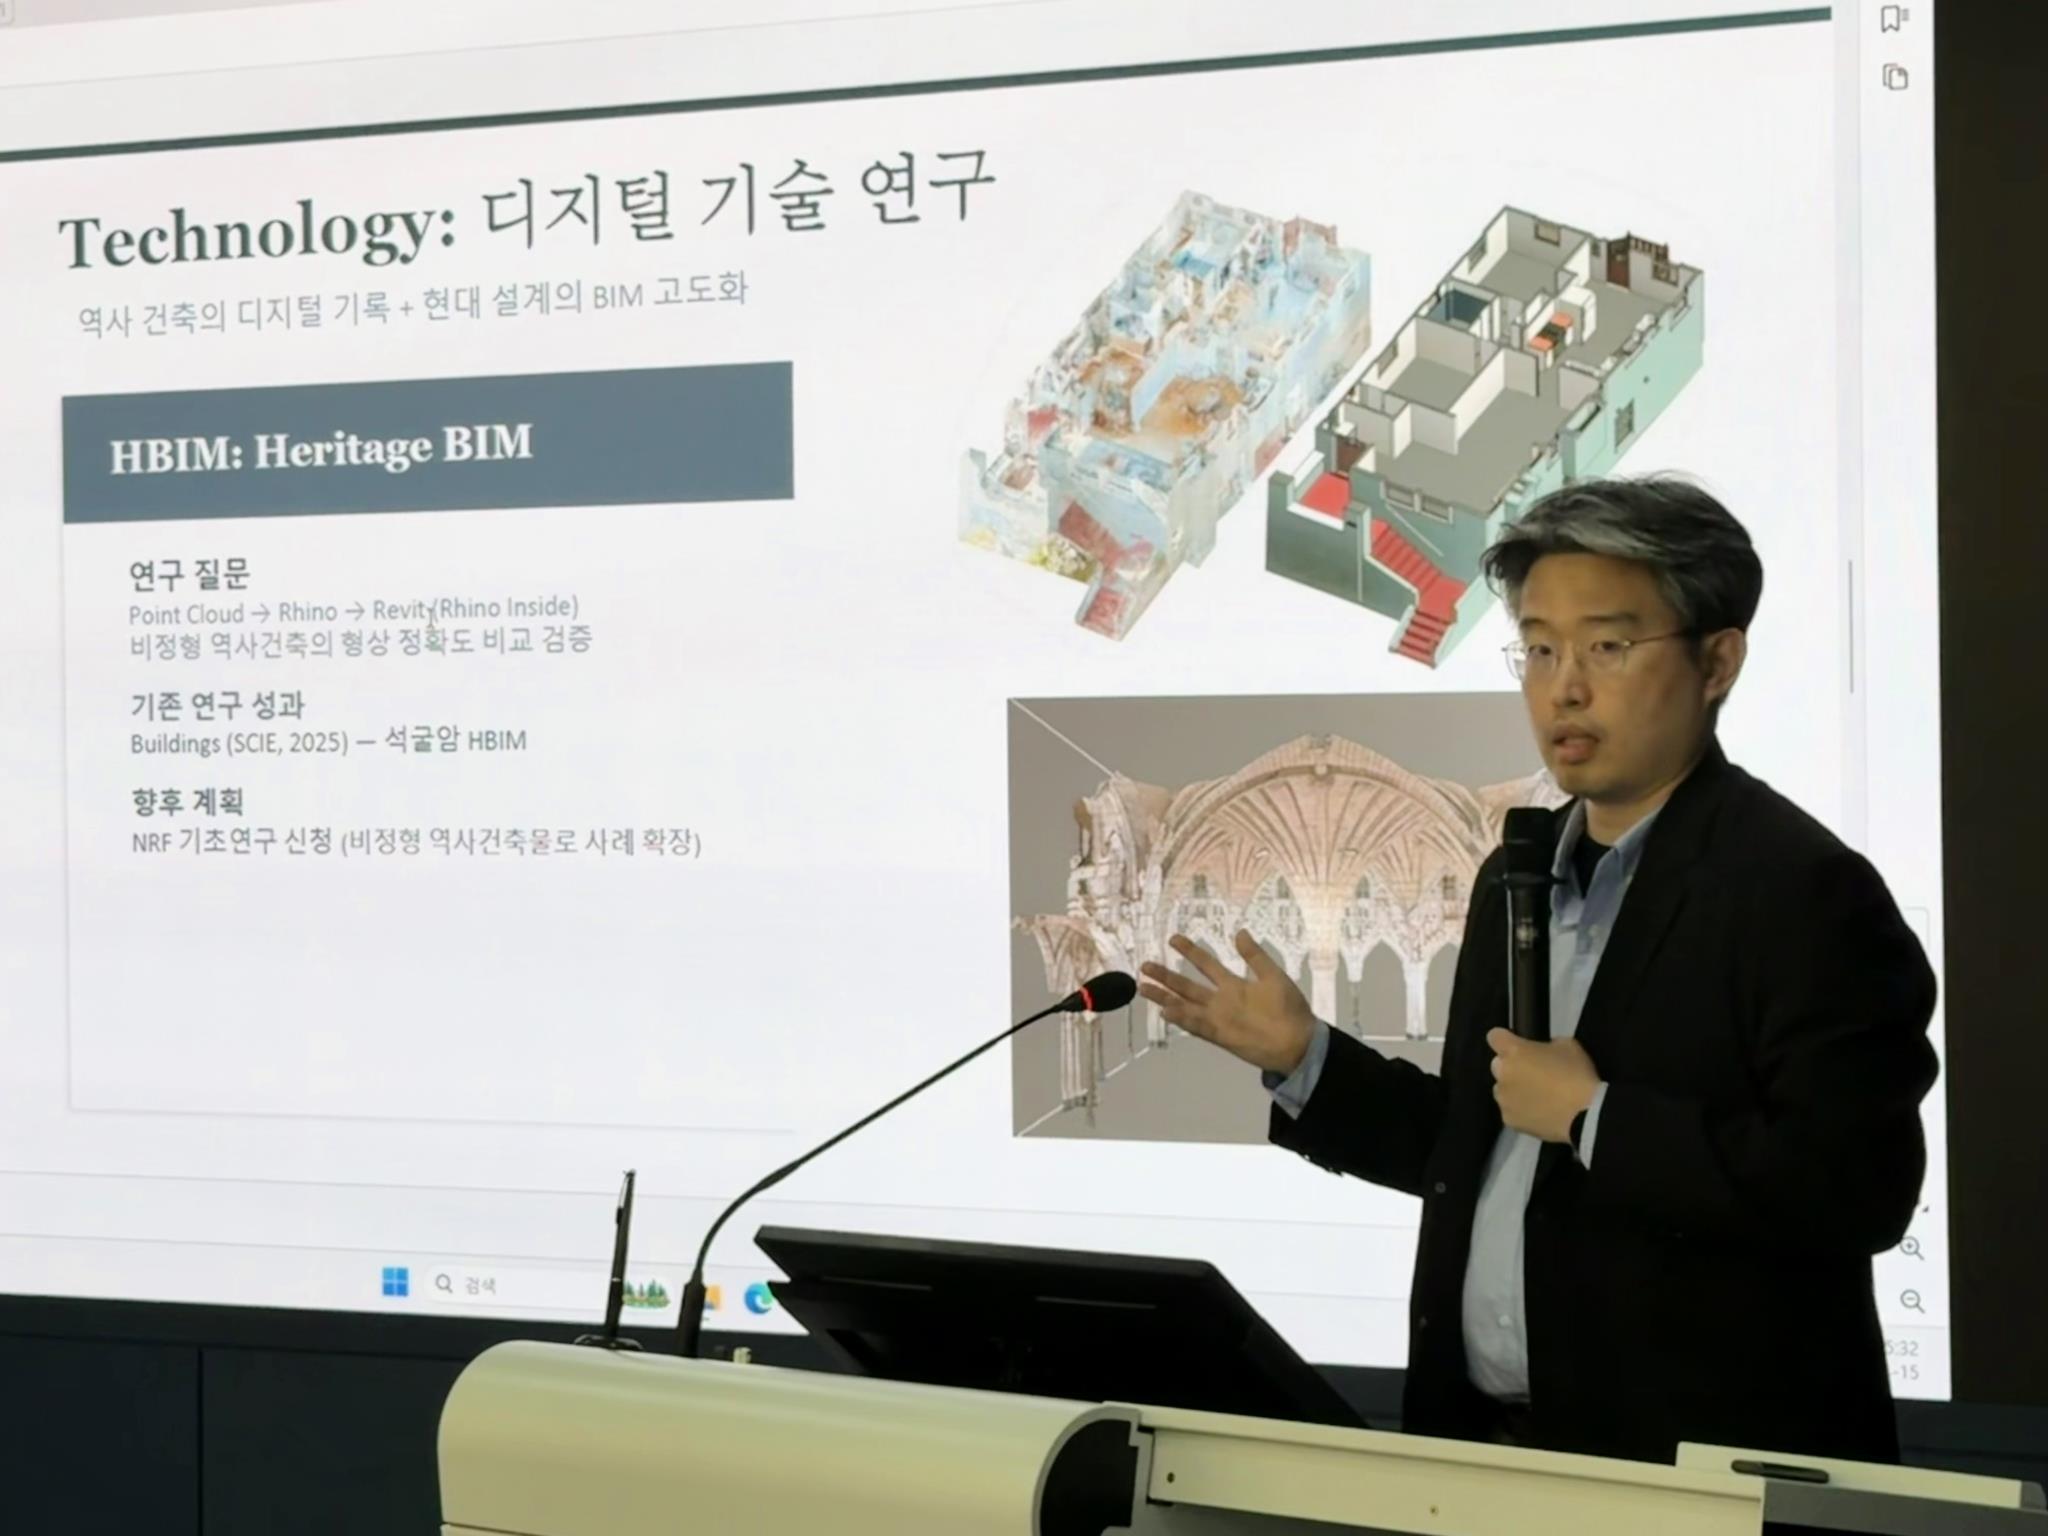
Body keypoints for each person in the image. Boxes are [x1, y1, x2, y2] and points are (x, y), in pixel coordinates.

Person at [1138, 475, 1937, 1465]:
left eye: (1606, 647)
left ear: (1717, 661)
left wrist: (1596, 1118)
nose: (1563, 688)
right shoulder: (1514, 875)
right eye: (1540, 648)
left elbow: (1854, 1189)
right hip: (1483, 1459)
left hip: (1690, 1478)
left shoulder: (1801, 891)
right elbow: (1483, 1150)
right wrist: (1306, 1058)